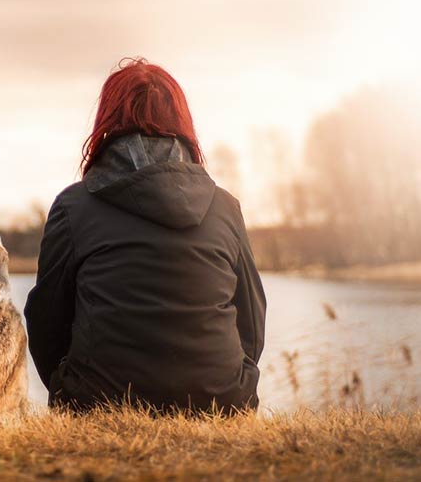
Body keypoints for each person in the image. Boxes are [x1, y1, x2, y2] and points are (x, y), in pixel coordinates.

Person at [24, 58, 266, 414]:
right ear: (182, 122)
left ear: (107, 121)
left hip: (98, 402)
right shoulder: (225, 207)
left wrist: (68, 387)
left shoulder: (74, 207)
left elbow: (46, 320)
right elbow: (252, 319)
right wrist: (234, 382)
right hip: (221, 402)